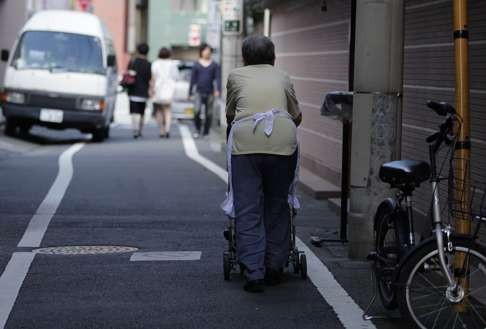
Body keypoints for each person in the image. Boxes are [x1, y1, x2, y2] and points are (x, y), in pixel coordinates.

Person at [222, 36, 303, 293]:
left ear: (244, 58)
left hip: (245, 143)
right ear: (273, 57)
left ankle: (253, 272)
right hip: (282, 141)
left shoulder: (235, 76)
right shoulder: (283, 76)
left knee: (248, 208)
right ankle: (274, 267)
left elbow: (230, 114)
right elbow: (297, 115)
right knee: (277, 204)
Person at [189, 43, 221, 138]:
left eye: (208, 51)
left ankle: (206, 131)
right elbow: (192, 79)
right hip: (198, 91)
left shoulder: (214, 65)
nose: (207, 52)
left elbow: (218, 78)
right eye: (205, 50)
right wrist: (190, 92)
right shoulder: (196, 64)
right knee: (196, 111)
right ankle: (197, 129)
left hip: (210, 91)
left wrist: (218, 90)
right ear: (201, 52)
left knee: (209, 113)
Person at [151, 47, 179, 138]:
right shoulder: (172, 64)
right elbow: (176, 76)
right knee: (168, 109)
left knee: (158, 110)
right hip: (169, 88)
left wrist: (151, 89)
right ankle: (167, 129)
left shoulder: (156, 63)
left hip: (158, 88)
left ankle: (161, 130)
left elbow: (153, 77)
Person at [127, 43, 152, 139]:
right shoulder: (149, 64)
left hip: (133, 90)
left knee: (134, 112)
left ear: (138, 50)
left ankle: (135, 129)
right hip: (144, 91)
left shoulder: (133, 62)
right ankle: (140, 130)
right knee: (142, 112)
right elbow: (150, 78)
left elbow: (128, 74)